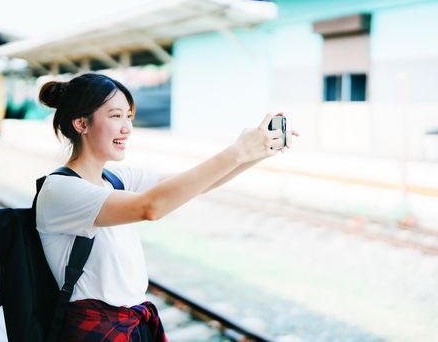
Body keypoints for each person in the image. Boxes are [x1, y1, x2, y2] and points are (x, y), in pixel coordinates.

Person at [36, 73, 298, 342]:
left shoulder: (115, 178)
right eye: (116, 116)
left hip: (132, 326)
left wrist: (255, 154)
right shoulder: (61, 190)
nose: (127, 127)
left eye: (129, 116)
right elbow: (150, 207)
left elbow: (194, 184)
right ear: (81, 123)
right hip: (95, 334)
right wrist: (238, 152)